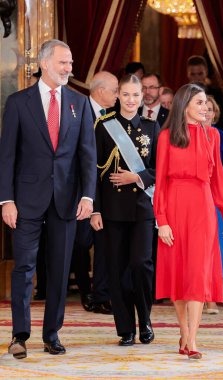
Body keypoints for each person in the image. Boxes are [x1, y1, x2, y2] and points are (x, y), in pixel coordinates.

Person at [0, 39, 97, 359]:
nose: (69, 68)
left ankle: (52, 334)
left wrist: (87, 195)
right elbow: (7, 156)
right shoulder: (17, 102)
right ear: (44, 63)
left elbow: (87, 154)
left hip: (67, 200)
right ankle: (20, 334)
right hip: (26, 200)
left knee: (59, 270)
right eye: (63, 62)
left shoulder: (78, 103)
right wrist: (6, 200)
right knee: (24, 268)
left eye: (70, 63)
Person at [154, 83, 223, 359]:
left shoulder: (213, 136)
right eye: (199, 103)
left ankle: (192, 339)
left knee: (198, 272)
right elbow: (161, 181)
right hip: (174, 207)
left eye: (207, 104)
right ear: (184, 105)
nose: (205, 108)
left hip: (202, 208)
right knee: (178, 272)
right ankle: (184, 332)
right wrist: (161, 220)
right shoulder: (166, 137)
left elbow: (218, 179)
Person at [90, 74, 160, 346]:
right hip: (112, 209)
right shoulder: (104, 126)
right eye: (126, 94)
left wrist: (137, 178)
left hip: (143, 208)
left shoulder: (152, 128)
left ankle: (145, 319)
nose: (131, 100)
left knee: (141, 264)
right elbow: (91, 170)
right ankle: (126, 329)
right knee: (117, 268)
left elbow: (160, 169)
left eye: (136, 95)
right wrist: (95, 209)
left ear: (143, 97)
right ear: (118, 95)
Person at [73, 71, 118, 314]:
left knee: (103, 243)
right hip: (80, 191)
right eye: (115, 91)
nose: (117, 96)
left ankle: (101, 295)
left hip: (105, 190)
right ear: (100, 91)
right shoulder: (77, 109)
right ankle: (84, 290)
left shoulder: (114, 116)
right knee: (80, 243)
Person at [203, 95, 223, 314]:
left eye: (210, 109)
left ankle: (211, 298)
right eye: (202, 107)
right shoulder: (183, 135)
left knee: (216, 250)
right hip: (193, 199)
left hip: (216, 201)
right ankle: (195, 295)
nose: (206, 112)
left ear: (216, 113)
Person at [187, 55, 223, 131]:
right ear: (187, 73)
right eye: (193, 74)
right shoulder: (182, 95)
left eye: (200, 74)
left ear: (206, 72)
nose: (196, 78)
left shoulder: (218, 95)